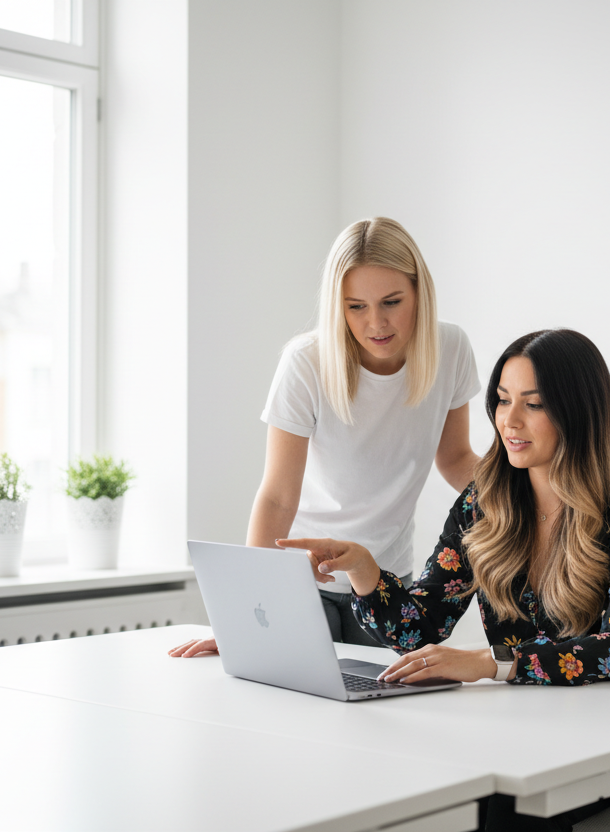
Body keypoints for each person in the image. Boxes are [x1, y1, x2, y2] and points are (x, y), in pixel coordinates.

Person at [280, 329, 610, 831]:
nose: (509, 420)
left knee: (499, 808)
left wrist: (493, 664)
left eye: (534, 404)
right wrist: (363, 570)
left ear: (578, 411)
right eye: (502, 400)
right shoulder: (483, 501)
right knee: (411, 787)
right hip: (519, 730)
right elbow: (421, 627)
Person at [170, 217, 482, 655]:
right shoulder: (306, 362)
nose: (376, 323)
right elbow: (278, 496)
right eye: (356, 306)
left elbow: (454, 458)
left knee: (383, 708)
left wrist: (529, 493)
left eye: (392, 301)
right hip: (303, 578)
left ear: (419, 293)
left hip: (384, 578)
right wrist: (241, 612)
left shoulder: (450, 348)